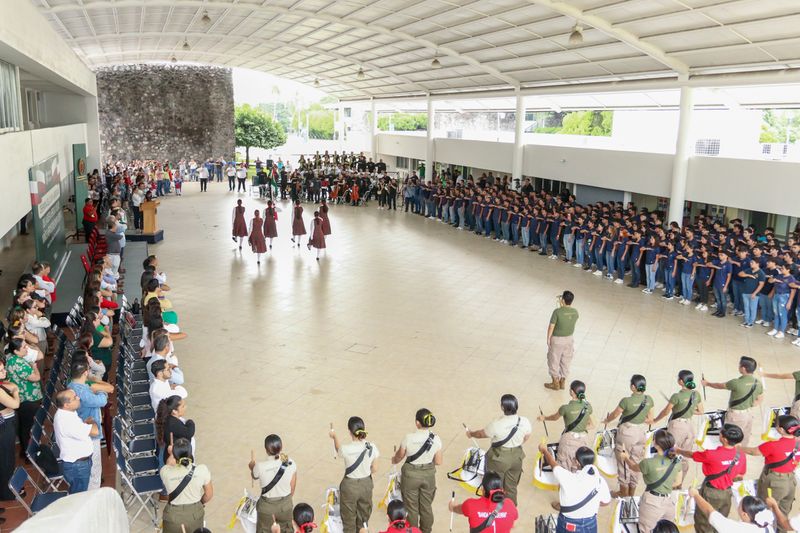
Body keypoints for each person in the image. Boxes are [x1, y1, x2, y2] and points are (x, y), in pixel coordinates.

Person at [674, 423, 746, 533]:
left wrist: (678, 450)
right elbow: (740, 474)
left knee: (704, 522)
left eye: (721, 433)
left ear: (724, 439)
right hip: (727, 493)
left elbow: (692, 455)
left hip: (711, 492)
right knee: (720, 523)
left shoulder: (711, 454)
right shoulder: (741, 455)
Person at [465, 394, 532, 504]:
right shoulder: (524, 421)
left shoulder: (496, 424)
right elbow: (527, 437)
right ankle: (510, 510)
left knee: (494, 485)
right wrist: (515, 445)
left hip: (499, 458)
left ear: (502, 407)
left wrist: (471, 433)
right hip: (517, 457)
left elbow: (481, 434)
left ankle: (494, 509)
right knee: (511, 486)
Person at [538, 443, 611, 533]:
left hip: (568, 524)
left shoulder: (567, 477)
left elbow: (553, 464)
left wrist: (544, 450)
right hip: (590, 523)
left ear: (577, 462)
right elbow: (606, 502)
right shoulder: (600, 481)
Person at [390, 408, 443, 533]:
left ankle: (413, 531)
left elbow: (399, 456)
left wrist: (394, 459)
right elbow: (439, 461)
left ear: (417, 423)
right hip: (428, 476)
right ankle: (426, 530)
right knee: (426, 507)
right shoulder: (436, 439)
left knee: (411, 507)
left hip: (410, 477)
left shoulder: (408, 438)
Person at [619, 429, 682, 533]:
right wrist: (664, 487)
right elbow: (677, 483)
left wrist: (625, 457)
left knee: (646, 530)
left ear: (656, 445)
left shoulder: (648, 463)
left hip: (651, 502)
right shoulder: (677, 461)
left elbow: (633, 467)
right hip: (669, 502)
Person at [602, 374, 654, 497]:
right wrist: (640, 419)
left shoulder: (626, 401)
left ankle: (623, 493)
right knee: (636, 461)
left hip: (627, 433)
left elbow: (615, 414)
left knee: (624, 462)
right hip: (641, 433)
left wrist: (607, 420)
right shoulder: (649, 400)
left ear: (632, 387)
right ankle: (632, 493)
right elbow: (650, 419)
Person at [740, 415, 800, 521]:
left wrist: (738, 448)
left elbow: (754, 451)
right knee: (783, 512)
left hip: (774, 481)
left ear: (781, 430)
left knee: (764, 510)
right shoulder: (798, 443)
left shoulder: (773, 445)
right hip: (791, 481)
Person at [329, 417, 379, 533]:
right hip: (366, 484)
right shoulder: (372, 447)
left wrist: (334, 436)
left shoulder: (346, 449)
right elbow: (375, 468)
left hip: (349, 486)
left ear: (350, 431)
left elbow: (338, 450)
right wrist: (365, 472)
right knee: (363, 518)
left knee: (348, 519)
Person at [651, 370, 703, 483]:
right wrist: (688, 410)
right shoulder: (696, 394)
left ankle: (668, 481)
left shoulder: (676, 396)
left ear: (680, 381)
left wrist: (654, 420)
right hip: (690, 427)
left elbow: (665, 412)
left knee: (670, 452)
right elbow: (700, 411)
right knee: (684, 455)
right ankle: (679, 482)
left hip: (677, 427)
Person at [67, 361, 111, 490]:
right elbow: (102, 401)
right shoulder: (83, 391)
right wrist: (100, 390)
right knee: (95, 466)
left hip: (83, 429)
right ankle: (94, 492)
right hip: (90, 432)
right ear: (85, 373)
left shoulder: (72, 385)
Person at [702, 356, 763, 446]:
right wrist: (747, 405)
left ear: (743, 368)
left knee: (730, 438)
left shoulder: (736, 382)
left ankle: (729, 456)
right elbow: (759, 399)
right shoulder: (758, 383)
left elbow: (720, 386)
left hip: (736, 416)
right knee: (744, 437)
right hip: (748, 414)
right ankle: (740, 455)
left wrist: (707, 384)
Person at [537, 380, 594, 472]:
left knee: (564, 466)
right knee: (579, 465)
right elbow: (591, 424)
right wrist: (580, 428)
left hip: (568, 441)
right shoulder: (588, 406)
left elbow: (554, 417)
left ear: (571, 392)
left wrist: (544, 418)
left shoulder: (565, 408)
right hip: (583, 440)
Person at [160, 437, 213, 533]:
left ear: (175, 454)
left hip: (173, 517)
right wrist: (199, 503)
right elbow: (208, 494)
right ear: (190, 453)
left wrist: (172, 453)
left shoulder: (165, 472)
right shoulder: (202, 470)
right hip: (195, 514)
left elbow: (169, 464)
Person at [250, 434, 298, 533]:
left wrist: (252, 467)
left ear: (266, 449)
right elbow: (292, 488)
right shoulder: (291, 463)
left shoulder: (259, 466)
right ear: (281, 447)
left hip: (266, 508)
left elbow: (254, 476)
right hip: (285, 505)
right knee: (287, 530)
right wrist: (285, 502)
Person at [4, 337, 43, 461]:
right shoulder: (19, 363)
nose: (27, 349)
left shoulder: (11, 358)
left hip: (25, 397)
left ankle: (26, 450)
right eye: (24, 347)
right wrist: (34, 366)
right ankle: (28, 453)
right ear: (16, 351)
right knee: (26, 427)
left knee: (24, 427)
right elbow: (36, 378)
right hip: (27, 399)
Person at [54, 389, 98, 494]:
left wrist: (85, 424)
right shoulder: (66, 420)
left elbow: (78, 429)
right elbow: (95, 431)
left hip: (79, 463)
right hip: (78, 466)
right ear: (66, 405)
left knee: (80, 493)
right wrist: (92, 421)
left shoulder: (67, 413)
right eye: (74, 398)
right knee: (79, 496)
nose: (78, 398)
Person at [449, 472, 518, 533]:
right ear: (501, 489)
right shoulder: (510, 504)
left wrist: (452, 507)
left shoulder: (470, 505)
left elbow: (456, 508)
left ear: (483, 490)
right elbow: (513, 522)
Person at [690, 490, 776, 532]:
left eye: (739, 505)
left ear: (744, 514)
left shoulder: (737, 529)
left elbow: (710, 512)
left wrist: (696, 495)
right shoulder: (767, 527)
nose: (738, 505)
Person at [545, 290, 579, 390]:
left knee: (554, 359)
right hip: (569, 339)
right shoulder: (575, 312)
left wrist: (548, 338)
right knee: (566, 360)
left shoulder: (557, 312)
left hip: (557, 339)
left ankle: (555, 383)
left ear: (563, 300)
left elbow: (551, 326)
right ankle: (563, 381)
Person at [0, 360, 20, 509]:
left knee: (8, 458)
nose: (4, 371)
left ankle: (8, 487)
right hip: (4, 427)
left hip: (7, 424)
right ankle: (6, 492)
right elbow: (15, 404)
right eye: (0, 370)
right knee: (6, 460)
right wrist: (15, 393)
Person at [155, 395, 195, 465]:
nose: (186, 407)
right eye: (183, 406)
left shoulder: (168, 419)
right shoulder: (172, 424)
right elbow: (189, 432)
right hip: (177, 460)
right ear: (174, 411)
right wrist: (190, 422)